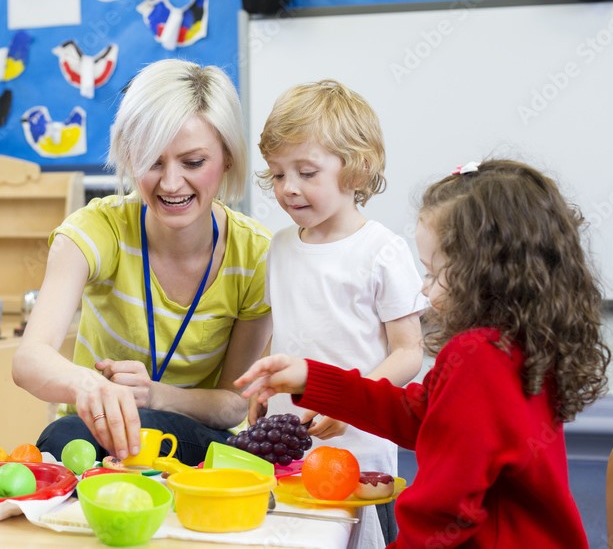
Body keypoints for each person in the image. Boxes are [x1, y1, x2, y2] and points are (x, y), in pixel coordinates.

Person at [236, 159, 611, 548]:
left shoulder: (480, 357)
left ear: (484, 274)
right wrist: (314, 380)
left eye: (433, 273)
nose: (423, 289)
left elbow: (443, 508)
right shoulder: (518, 343)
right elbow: (422, 417)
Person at [12, 58, 272, 466]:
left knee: (156, 431)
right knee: (66, 434)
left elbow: (233, 406)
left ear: (227, 159)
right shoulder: (98, 230)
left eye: (193, 162)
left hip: (197, 443)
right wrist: (90, 387)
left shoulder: (256, 256)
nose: (170, 183)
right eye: (153, 161)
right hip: (94, 434)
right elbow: (29, 360)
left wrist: (154, 395)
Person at [256, 80, 426, 547]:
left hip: (361, 450)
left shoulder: (382, 251)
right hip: (291, 445)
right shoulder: (280, 246)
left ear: (357, 170)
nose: (288, 189)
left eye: (306, 172)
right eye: (277, 174)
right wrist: (265, 386)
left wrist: (348, 403)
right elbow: (286, 333)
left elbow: (409, 352)